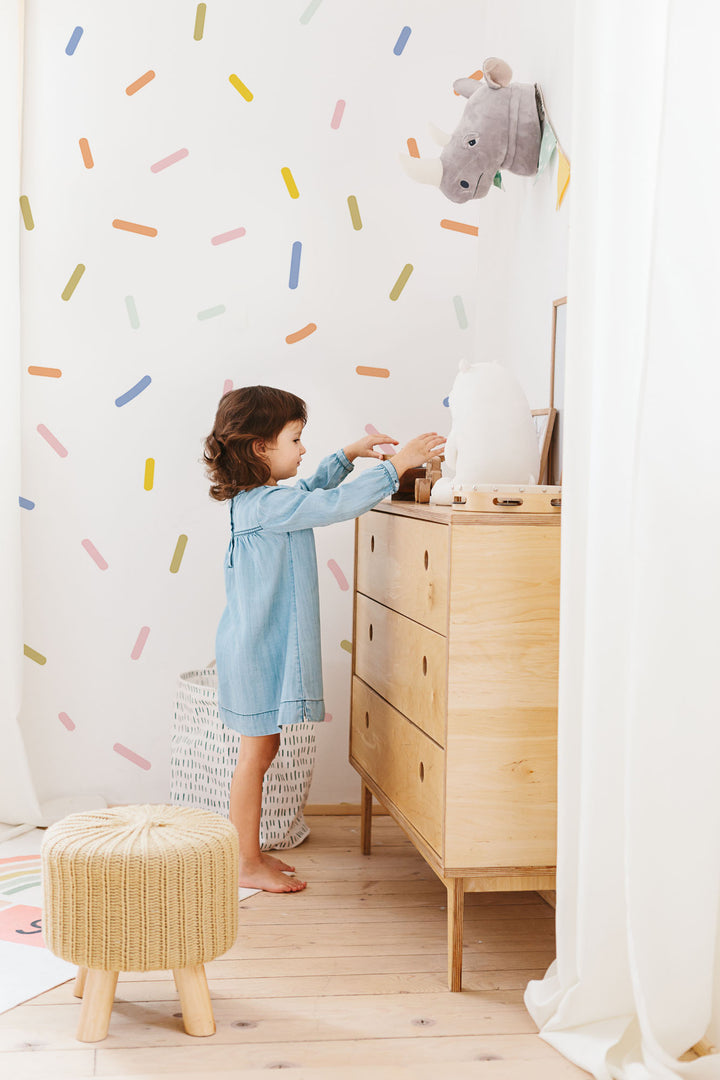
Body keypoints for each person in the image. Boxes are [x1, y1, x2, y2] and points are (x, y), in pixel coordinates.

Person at [204, 385, 446, 892]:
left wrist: (346, 455)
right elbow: (333, 506)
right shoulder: (265, 507)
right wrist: (395, 465)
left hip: (254, 648)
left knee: (261, 751)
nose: (302, 449)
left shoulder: (262, 500)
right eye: (295, 439)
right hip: (255, 651)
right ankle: (244, 861)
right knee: (256, 756)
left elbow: (311, 492)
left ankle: (249, 853)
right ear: (260, 449)